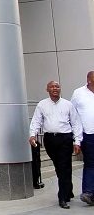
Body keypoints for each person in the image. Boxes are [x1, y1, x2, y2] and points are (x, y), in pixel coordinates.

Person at [30, 80, 82, 209]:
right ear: (47, 89)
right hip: (50, 139)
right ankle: (68, 189)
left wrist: (77, 141)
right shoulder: (42, 105)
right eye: (52, 87)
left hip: (65, 138)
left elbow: (76, 123)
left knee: (63, 166)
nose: (55, 88)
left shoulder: (68, 105)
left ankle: (62, 197)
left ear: (60, 89)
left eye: (57, 86)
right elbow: (36, 121)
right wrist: (32, 135)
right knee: (60, 167)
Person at [72, 71, 94, 206]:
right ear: (89, 80)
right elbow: (73, 116)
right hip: (88, 135)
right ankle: (88, 192)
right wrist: (76, 139)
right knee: (90, 163)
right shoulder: (78, 93)